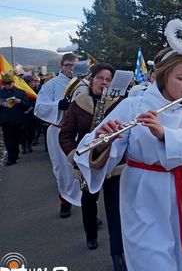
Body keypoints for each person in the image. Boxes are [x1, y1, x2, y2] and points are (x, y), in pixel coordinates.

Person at [73, 43, 182, 270]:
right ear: (162, 78)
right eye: (181, 77)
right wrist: (105, 140)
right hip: (145, 194)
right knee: (152, 261)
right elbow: (96, 153)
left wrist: (166, 136)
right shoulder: (133, 106)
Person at [58, 63, 126, 270]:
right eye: (100, 78)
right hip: (87, 166)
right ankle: (91, 234)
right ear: (91, 79)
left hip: (114, 167)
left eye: (108, 79)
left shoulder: (120, 104)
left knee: (115, 209)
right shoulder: (78, 103)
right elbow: (66, 135)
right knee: (89, 202)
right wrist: (74, 156)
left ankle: (118, 253)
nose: (103, 83)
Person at [34, 53, 82, 217]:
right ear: (62, 66)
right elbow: (39, 107)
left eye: (75, 65)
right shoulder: (51, 85)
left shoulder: (84, 84)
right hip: (58, 131)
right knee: (62, 169)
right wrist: (58, 105)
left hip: (81, 132)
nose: (71, 69)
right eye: (68, 65)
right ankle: (65, 201)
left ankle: (89, 208)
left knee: (84, 168)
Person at [0, 73, 30, 166]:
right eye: (5, 83)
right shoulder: (0, 93)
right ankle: (11, 158)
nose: (7, 85)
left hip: (17, 120)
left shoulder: (20, 92)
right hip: (5, 120)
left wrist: (20, 101)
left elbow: (27, 105)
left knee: (16, 139)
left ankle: (15, 153)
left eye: (9, 83)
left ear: (13, 82)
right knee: (8, 140)